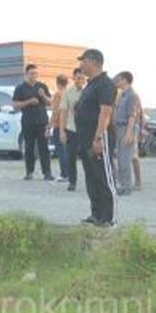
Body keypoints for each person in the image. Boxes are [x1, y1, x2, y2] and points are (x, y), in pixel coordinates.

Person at [74, 48, 117, 226]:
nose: (81, 65)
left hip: (98, 137)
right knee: (91, 177)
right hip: (84, 138)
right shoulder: (90, 84)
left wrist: (98, 138)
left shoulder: (105, 84)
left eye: (83, 61)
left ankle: (108, 217)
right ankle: (96, 214)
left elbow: (105, 112)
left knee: (102, 176)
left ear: (93, 61)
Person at [12, 63, 53, 181]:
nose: (34, 75)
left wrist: (43, 95)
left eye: (36, 73)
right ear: (26, 75)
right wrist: (29, 102)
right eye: (31, 74)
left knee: (43, 147)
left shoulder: (42, 86)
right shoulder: (20, 88)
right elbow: (15, 105)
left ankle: (47, 173)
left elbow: (50, 102)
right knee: (29, 147)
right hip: (28, 121)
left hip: (42, 121)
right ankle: (29, 172)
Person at [112, 71, 141, 195]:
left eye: (119, 79)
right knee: (120, 158)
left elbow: (132, 116)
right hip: (119, 128)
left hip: (126, 128)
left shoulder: (131, 95)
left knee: (125, 159)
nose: (117, 82)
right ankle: (123, 184)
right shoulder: (121, 95)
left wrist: (129, 133)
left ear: (125, 80)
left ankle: (126, 186)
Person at [59, 68, 85, 191]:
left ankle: (92, 182)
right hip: (71, 128)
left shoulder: (89, 91)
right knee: (71, 157)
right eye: (78, 78)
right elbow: (63, 112)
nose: (80, 80)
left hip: (86, 130)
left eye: (82, 78)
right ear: (73, 78)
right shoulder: (68, 92)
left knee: (88, 157)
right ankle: (72, 181)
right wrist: (62, 131)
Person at [50, 74, 69, 181]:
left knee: (61, 151)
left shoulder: (58, 94)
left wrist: (49, 125)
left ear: (57, 83)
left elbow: (56, 111)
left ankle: (64, 173)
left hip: (58, 125)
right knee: (66, 150)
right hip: (67, 125)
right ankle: (68, 173)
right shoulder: (68, 93)